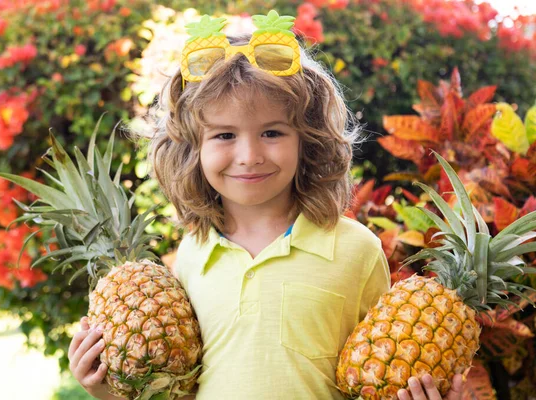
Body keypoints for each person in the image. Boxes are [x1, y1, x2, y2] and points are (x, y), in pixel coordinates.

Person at [68, 10, 465, 400]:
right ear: (193, 150)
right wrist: (109, 392)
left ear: (307, 141)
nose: (249, 155)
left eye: (272, 132)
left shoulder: (356, 250)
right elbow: (182, 391)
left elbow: (378, 374)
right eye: (224, 135)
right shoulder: (193, 254)